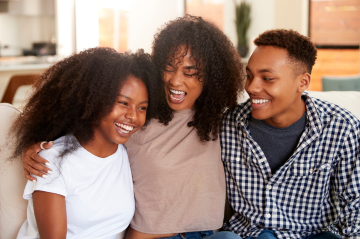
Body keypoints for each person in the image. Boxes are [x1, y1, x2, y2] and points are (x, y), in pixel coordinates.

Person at [20, 15, 245, 239]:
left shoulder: (222, 121)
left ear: (212, 77)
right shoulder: (138, 120)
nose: (176, 81)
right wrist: (34, 144)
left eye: (189, 72)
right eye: (169, 67)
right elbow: (79, 125)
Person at [221, 29, 360, 239]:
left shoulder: (342, 128)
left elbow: (356, 206)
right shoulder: (228, 126)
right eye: (249, 75)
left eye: (267, 78)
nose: (251, 87)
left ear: (302, 82)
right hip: (245, 235)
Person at [12, 47, 160, 238]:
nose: (133, 116)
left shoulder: (127, 152)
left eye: (142, 107)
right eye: (123, 103)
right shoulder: (52, 161)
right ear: (95, 99)